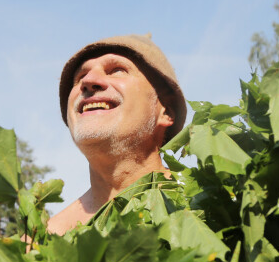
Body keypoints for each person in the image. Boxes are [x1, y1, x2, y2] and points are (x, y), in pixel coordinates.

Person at [47, 34, 187, 235]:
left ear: (165, 111)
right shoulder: (39, 243)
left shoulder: (219, 206)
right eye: (80, 77)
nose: (88, 81)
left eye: (117, 70)